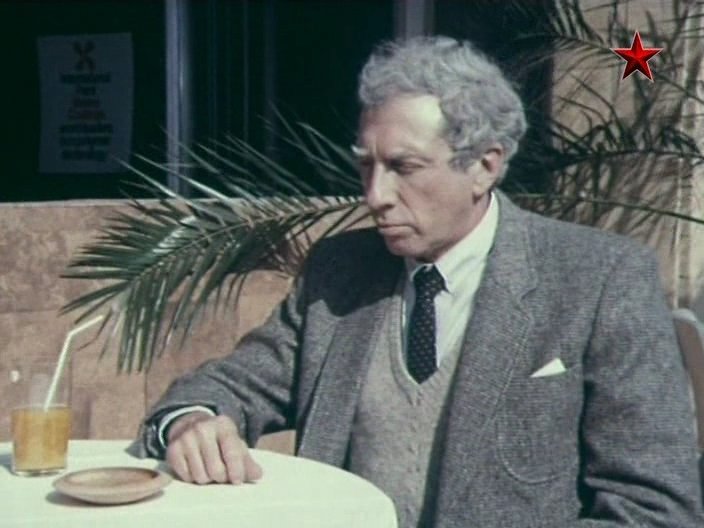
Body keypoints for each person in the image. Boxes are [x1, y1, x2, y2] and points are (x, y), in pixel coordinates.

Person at [130, 36, 704, 527]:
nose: (375, 195)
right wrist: (192, 422)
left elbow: (655, 510)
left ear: (485, 166)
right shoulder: (341, 272)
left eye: (403, 168)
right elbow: (230, 385)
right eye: (366, 165)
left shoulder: (599, 279)